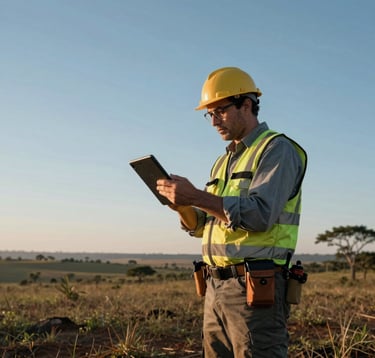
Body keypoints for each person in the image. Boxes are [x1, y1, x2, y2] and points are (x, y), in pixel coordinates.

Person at [156, 67, 307, 358]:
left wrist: (197, 195)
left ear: (246, 105)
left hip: (254, 288)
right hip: (215, 285)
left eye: (220, 111)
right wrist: (183, 207)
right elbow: (205, 224)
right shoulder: (222, 162)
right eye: (208, 114)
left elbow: (260, 215)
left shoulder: (277, 149)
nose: (213, 121)